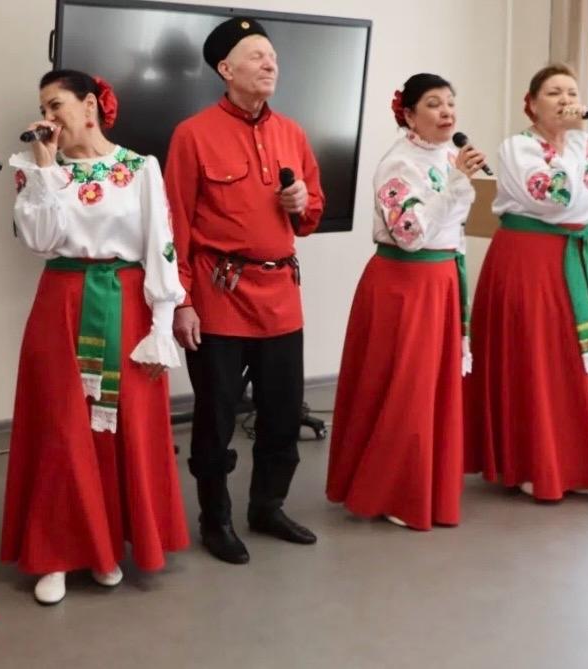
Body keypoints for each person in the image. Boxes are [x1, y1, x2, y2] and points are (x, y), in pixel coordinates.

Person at [0, 70, 189, 605]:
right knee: (60, 425)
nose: (48, 117)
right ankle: (57, 553)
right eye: (43, 108)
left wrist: (161, 326)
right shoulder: (36, 170)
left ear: (90, 106)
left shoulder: (139, 168)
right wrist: (44, 169)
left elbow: (161, 245)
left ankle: (108, 547)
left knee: (122, 426)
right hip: (62, 303)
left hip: (125, 303)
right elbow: (39, 241)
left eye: (56, 104)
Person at [164, 17, 325, 564]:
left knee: (281, 413)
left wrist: (303, 205)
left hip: (281, 295)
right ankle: (216, 519)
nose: (269, 62)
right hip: (220, 294)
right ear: (225, 69)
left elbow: (312, 214)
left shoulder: (293, 133)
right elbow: (176, 223)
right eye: (256, 55)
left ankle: (267, 507)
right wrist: (182, 300)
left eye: (272, 55)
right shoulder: (192, 134)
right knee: (215, 418)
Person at [464, 64, 588, 500]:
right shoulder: (517, 148)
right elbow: (553, 197)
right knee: (535, 356)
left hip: (578, 257)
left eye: (572, 93)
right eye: (554, 93)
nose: (566, 100)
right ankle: (529, 462)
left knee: (573, 358)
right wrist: (583, 193)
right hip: (528, 262)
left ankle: (577, 463)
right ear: (531, 104)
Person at [326, 73, 486, 530]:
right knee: (405, 389)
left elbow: (453, 227)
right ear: (409, 115)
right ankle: (391, 489)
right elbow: (409, 233)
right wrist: (455, 183)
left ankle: (424, 484)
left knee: (430, 388)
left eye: (450, 102)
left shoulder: (450, 157)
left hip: (440, 280)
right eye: (433, 103)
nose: (446, 111)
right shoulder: (398, 163)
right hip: (404, 283)